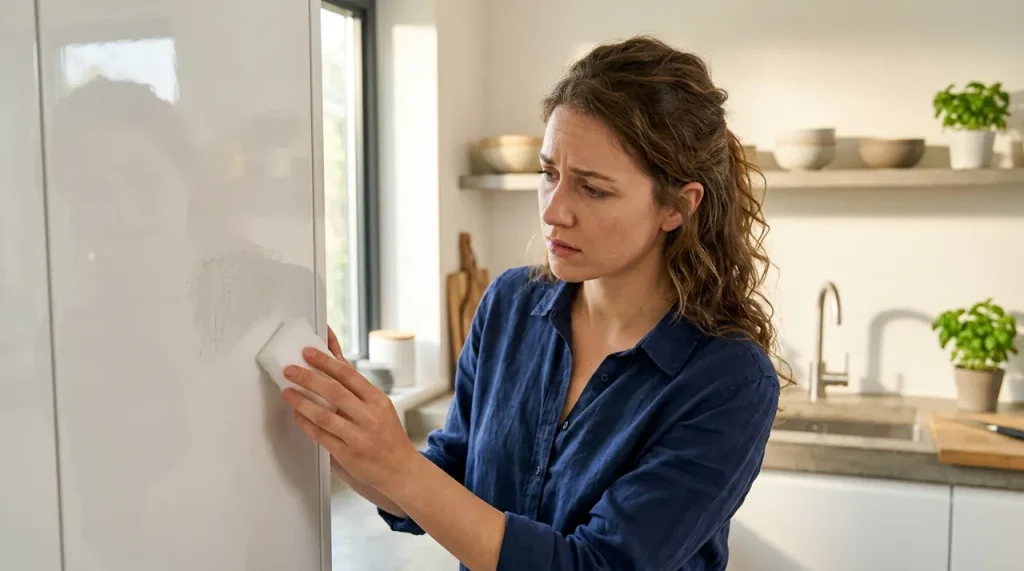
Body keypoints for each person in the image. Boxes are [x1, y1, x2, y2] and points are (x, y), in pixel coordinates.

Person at [281, 35, 786, 571]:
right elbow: (448, 481)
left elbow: (596, 565)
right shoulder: (509, 305)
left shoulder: (729, 380)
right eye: (549, 175)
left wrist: (399, 466)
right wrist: (343, 438)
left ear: (677, 207)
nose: (553, 211)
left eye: (593, 189)